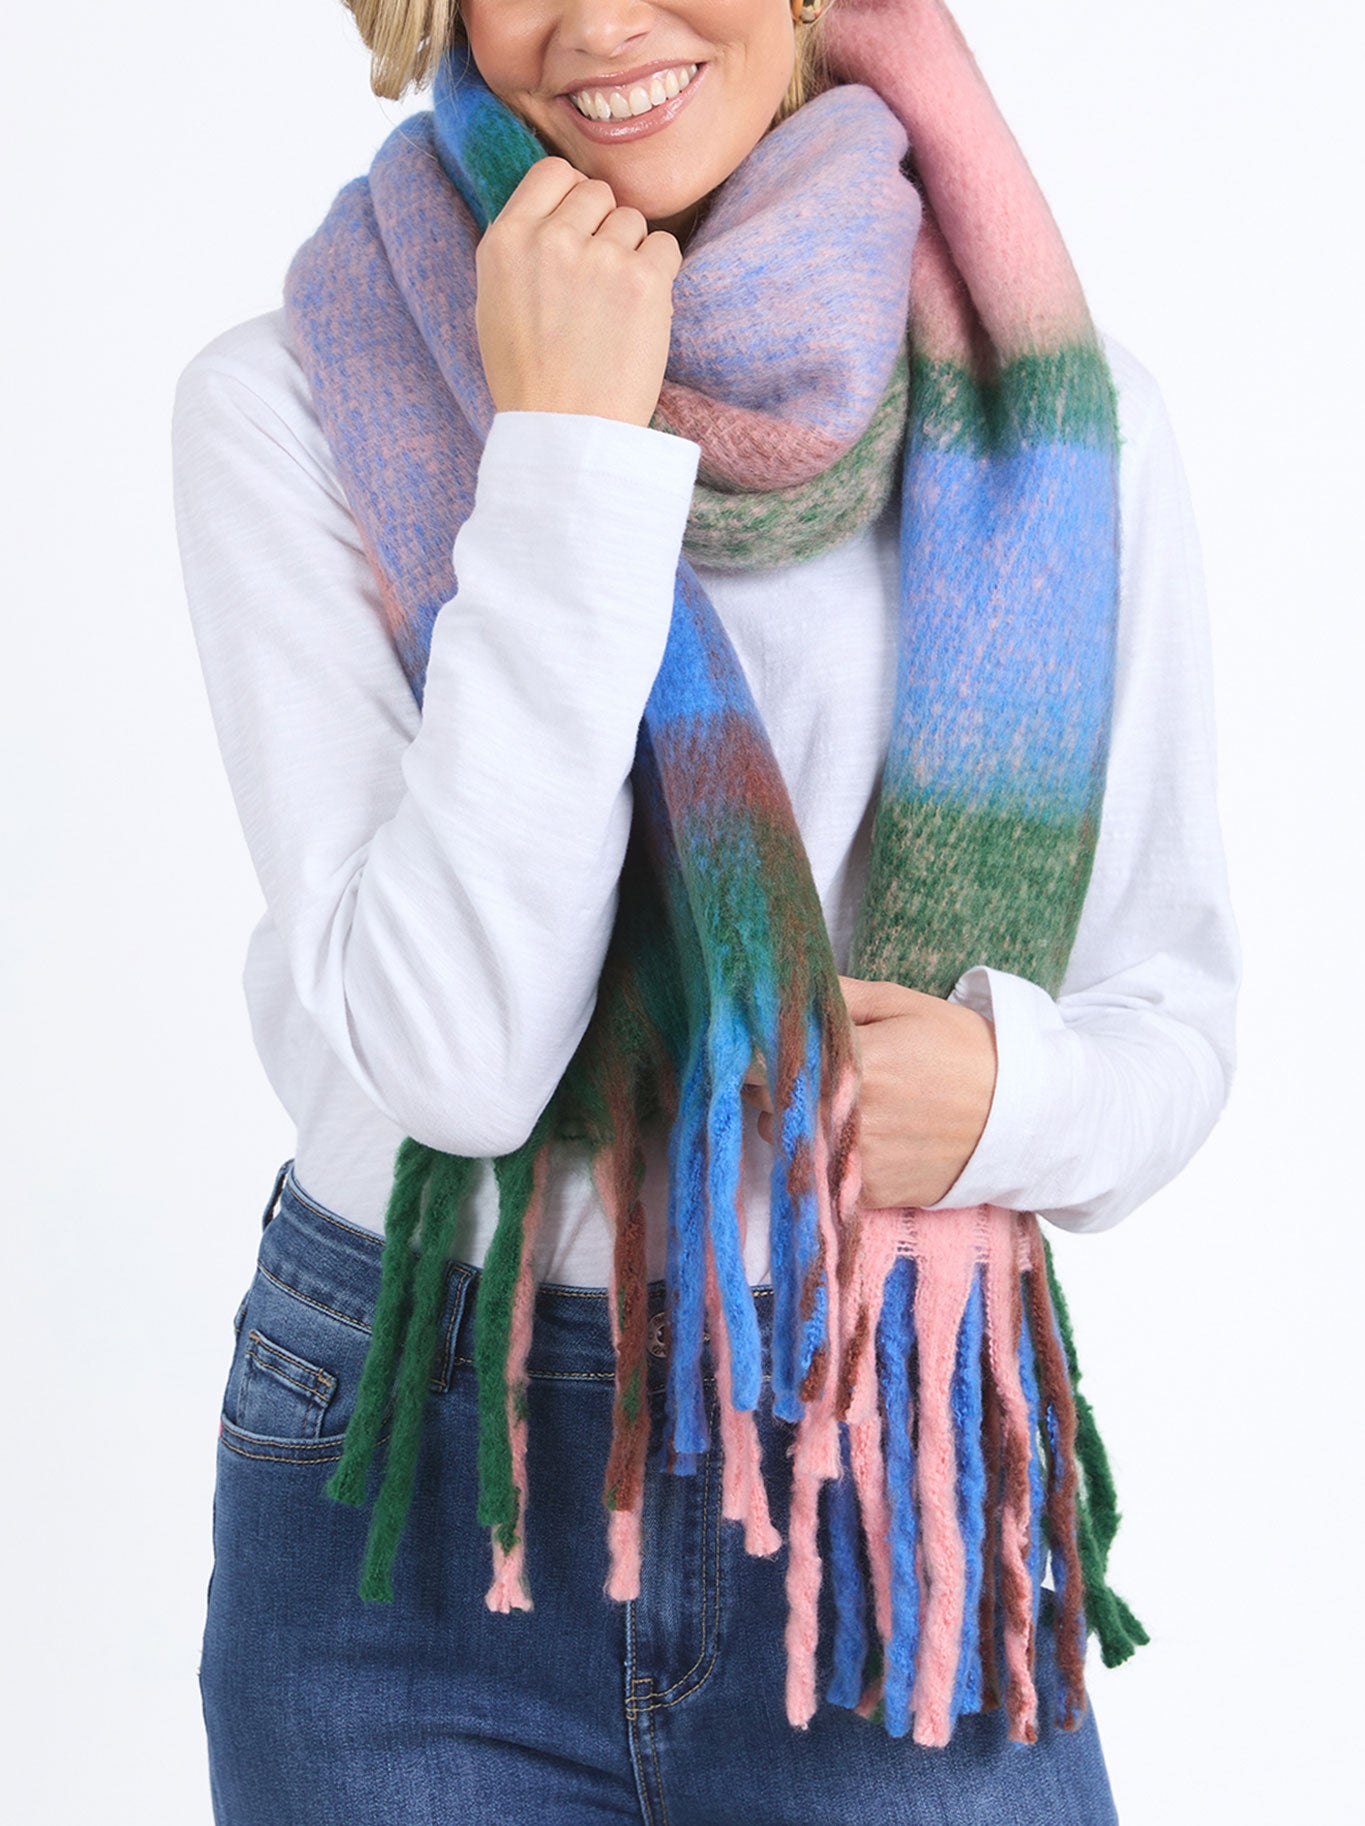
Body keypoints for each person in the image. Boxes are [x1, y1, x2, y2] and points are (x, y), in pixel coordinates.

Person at [171, 0, 1240, 1820]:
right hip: (413, 1491)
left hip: (887, 1470)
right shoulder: (290, 398)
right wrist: (564, 458)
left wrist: (1007, 1098)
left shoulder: (1051, 421)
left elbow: (1173, 1020)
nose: (602, 19)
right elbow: (460, 1058)